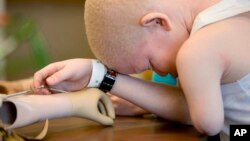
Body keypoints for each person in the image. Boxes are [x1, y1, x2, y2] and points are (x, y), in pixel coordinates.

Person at [31, 0, 250, 141]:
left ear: (157, 22)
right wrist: (97, 74)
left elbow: (205, 122)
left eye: (150, 64)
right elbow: (193, 106)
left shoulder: (197, 53)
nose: (161, 73)